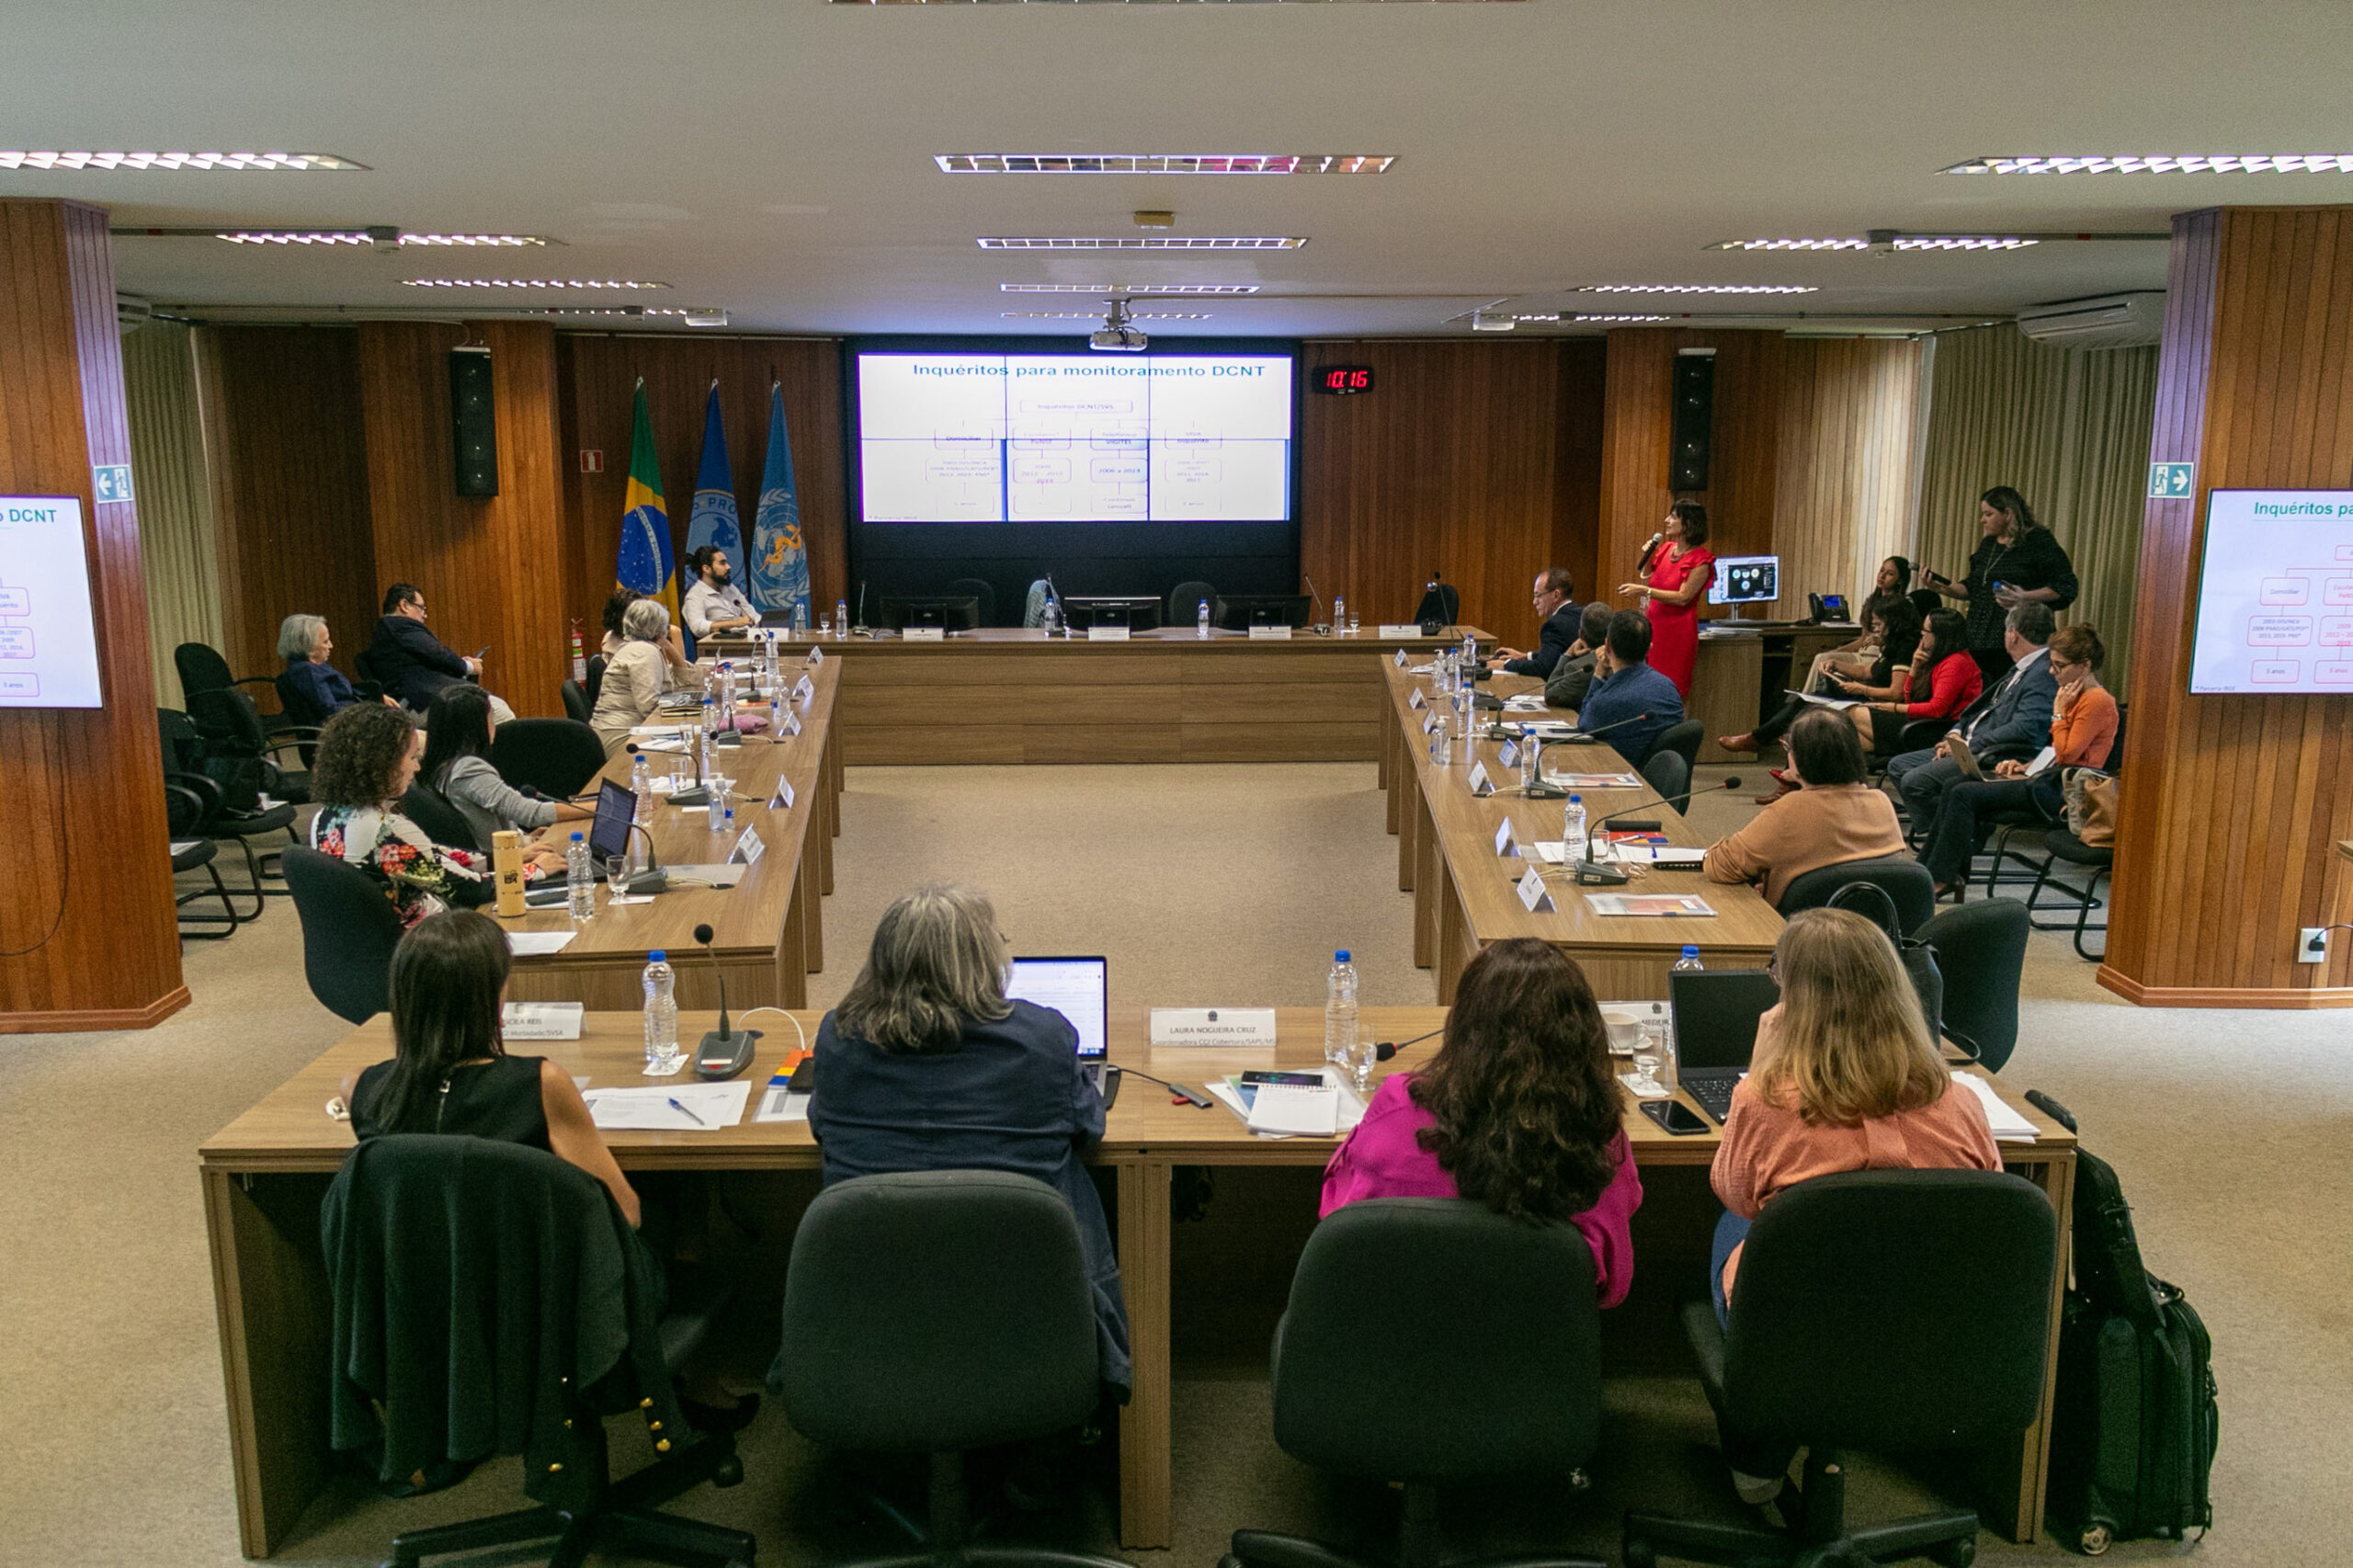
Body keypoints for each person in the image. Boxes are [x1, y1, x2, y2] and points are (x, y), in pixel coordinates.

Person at [1706, 906, 2001, 1501]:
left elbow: (1734, 1189)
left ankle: (1756, 1458)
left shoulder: (1767, 1099)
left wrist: (1761, 1068)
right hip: (1927, 1321)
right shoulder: (1959, 1101)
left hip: (1791, 1329)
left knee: (1741, 1213)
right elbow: (1987, 1208)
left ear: (1794, 998)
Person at [800, 883, 1131, 1397]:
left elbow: (822, 1126)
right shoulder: (1044, 1037)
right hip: (1026, 1298)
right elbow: (1090, 1129)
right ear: (983, 960)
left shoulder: (838, 1039)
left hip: (872, 1298)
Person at [1320, 938, 1643, 1306]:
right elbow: (1612, 1281)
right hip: (1537, 1353)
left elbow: (1338, 1217)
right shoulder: (1597, 1134)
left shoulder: (1399, 1103)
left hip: (1391, 1335)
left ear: (1461, 1026)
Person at [339, 911, 639, 1227]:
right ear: (492, 996)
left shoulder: (359, 1088)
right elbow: (626, 1215)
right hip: (531, 1270)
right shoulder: (543, 1084)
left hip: (414, 1271)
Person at [1916, 622, 2119, 899]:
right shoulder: (2073, 695)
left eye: (2059, 666)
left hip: (2067, 792)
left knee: (1964, 793)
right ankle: (1928, 870)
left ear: (2083, 666)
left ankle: (1943, 876)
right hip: (2049, 777)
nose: (2051, 672)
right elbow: (2055, 753)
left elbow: (2069, 756)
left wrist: (2058, 713)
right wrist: (2025, 766)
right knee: (1955, 783)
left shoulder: (2096, 701)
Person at [308, 701, 494, 927]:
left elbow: (429, 854)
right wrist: (540, 869)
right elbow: (474, 889)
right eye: (413, 757)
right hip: (427, 943)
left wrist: (500, 859)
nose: (417, 768)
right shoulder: (387, 830)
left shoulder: (324, 819)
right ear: (383, 763)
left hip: (372, 941)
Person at [1704, 710, 1908, 907]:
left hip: (1800, 932)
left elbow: (1721, 866)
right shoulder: (1881, 802)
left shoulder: (1790, 809)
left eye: (1788, 749)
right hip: (1872, 933)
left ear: (1801, 758)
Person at [1885, 601, 2057, 835]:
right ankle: (1956, 830)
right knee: (1898, 766)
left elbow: (2024, 728)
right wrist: (1955, 733)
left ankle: (1954, 834)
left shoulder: (2042, 672)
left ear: (2013, 634)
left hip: (1994, 753)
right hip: (1968, 744)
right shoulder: (2021, 667)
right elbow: (1977, 710)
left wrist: (1967, 745)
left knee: (1916, 782)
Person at [1718, 597, 1922, 758]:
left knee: (1810, 711)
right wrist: (1836, 665)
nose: (1876, 628)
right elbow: (1869, 672)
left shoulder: (1905, 648)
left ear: (1893, 622)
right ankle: (1765, 746)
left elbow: (1895, 693)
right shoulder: (1892, 644)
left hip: (1881, 706)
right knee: (1811, 700)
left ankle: (1758, 740)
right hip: (1869, 699)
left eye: (1879, 623)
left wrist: (1860, 689)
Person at [419, 684, 589, 869]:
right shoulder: (468, 769)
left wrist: (524, 840)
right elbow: (531, 813)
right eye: (491, 717)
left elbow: (477, 819)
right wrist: (596, 808)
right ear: (475, 726)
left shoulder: (441, 763)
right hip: (502, 867)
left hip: (505, 854)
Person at [1922, 486, 2077, 685]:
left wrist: (2025, 596)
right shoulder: (1989, 544)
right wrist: (1943, 588)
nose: (1982, 520)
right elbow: (1974, 587)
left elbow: (2065, 587)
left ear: (2008, 514)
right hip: (1979, 637)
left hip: (2019, 634)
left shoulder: (2039, 542)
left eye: (1988, 514)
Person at [1620, 500, 1716, 697]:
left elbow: (1683, 597)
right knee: (1647, 685)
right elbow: (1648, 577)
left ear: (1688, 523)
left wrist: (1644, 592)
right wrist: (1648, 556)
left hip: (1677, 633)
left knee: (1673, 689)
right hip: (1654, 626)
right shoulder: (1666, 549)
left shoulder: (1701, 560)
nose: (1667, 520)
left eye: (1673, 516)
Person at [1574, 608, 1684, 767]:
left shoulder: (1608, 701)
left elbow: (1583, 725)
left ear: (1607, 646)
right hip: (1655, 782)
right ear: (1649, 648)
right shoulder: (1669, 687)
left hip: (1617, 774)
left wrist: (1598, 674)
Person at [367, 582, 483, 711]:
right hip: (421, 700)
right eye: (421, 608)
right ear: (404, 605)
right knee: (496, 709)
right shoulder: (400, 626)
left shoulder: (388, 629)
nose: (424, 615)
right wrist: (469, 667)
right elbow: (437, 654)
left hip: (425, 694)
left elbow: (429, 658)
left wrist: (461, 663)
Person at [589, 597, 677, 758]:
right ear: (658, 630)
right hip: (622, 735)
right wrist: (684, 715)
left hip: (616, 729)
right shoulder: (645, 651)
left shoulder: (632, 647)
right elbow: (649, 706)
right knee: (684, 750)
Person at [276, 613, 395, 726]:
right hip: (344, 729)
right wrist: (371, 709)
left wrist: (378, 699)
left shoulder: (316, 665)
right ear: (308, 644)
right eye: (325, 641)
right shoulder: (307, 672)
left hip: (350, 718)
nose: (331, 646)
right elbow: (331, 711)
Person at [1486, 567, 1580, 678]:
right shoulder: (1579, 614)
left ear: (1556, 595)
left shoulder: (1554, 625)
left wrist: (1504, 665)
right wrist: (1526, 656)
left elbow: (1542, 668)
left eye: (1538, 595)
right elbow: (1557, 656)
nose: (1534, 602)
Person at [1543, 601, 1617, 711]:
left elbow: (1550, 696)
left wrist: (1568, 654)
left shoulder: (1578, 668)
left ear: (1581, 634)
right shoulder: (1625, 660)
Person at [683, 546, 758, 640]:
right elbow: (697, 627)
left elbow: (752, 614)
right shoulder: (695, 595)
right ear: (706, 569)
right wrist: (736, 623)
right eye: (722, 563)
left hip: (747, 639)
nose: (728, 567)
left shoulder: (729, 588)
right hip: (720, 646)